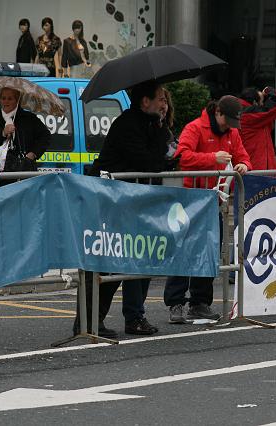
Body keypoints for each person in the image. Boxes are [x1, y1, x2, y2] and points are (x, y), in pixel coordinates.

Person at [74, 80, 170, 337]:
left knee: (140, 258)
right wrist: (161, 138)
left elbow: (159, 159)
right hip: (108, 201)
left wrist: (162, 127)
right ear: (145, 101)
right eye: (160, 99)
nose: (165, 104)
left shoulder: (151, 123)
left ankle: (132, 318)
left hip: (132, 202)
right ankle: (88, 322)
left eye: (165, 100)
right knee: (106, 261)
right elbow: (151, 162)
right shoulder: (128, 124)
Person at [164, 95, 252, 324]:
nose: (230, 128)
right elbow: (182, 157)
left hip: (214, 200)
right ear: (218, 113)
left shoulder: (232, 132)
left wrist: (244, 165)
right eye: (228, 122)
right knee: (183, 250)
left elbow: (243, 156)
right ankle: (176, 303)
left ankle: (199, 303)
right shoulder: (195, 128)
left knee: (209, 251)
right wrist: (212, 157)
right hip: (190, 199)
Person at [0, 87, 50, 185]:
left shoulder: (29, 118)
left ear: (17, 100)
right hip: (1, 176)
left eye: (10, 98)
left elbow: (46, 136)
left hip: (25, 174)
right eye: (3, 98)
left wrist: (33, 154)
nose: (6, 101)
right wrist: (3, 132)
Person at [238, 86, 276, 170]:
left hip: (249, 165)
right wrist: (269, 90)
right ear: (254, 102)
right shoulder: (252, 115)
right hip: (257, 168)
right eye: (261, 101)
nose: (263, 104)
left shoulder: (240, 112)